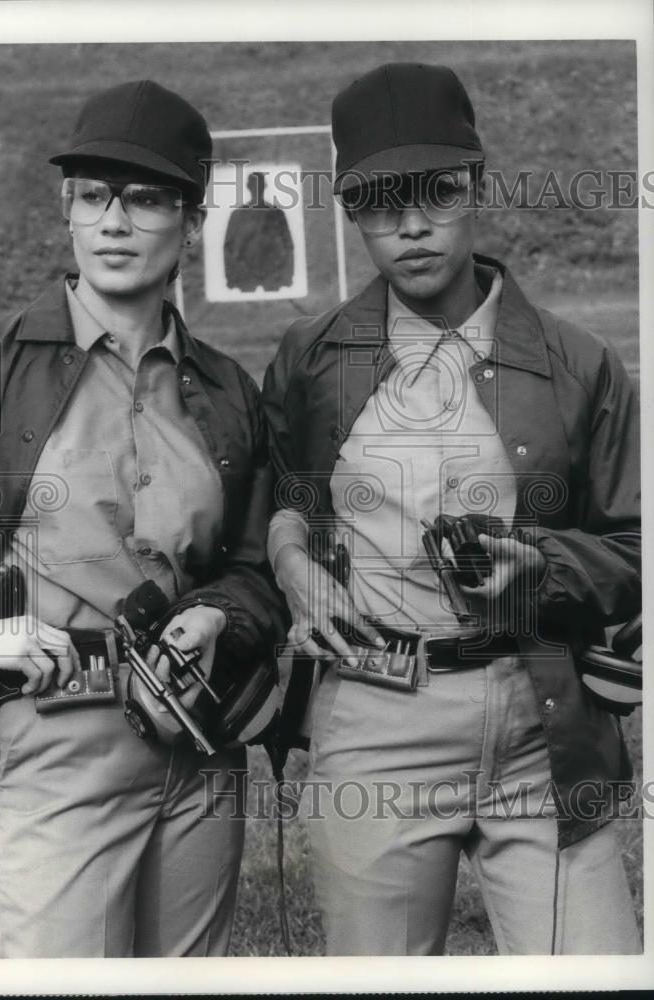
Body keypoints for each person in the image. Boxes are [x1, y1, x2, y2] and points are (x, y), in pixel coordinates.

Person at [262, 62, 641, 955]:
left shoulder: (577, 362)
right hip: (375, 714)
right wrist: (290, 561)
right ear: (350, 211)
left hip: (538, 711)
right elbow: (276, 499)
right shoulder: (310, 360)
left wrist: (541, 569)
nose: (409, 225)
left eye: (435, 191)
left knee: (593, 969)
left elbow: (633, 544)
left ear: (474, 183)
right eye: (378, 202)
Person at [0, 79, 285, 958]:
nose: (114, 222)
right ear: (67, 211)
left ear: (193, 222)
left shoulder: (227, 390)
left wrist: (219, 614)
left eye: (146, 199)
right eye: (92, 196)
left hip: (200, 745)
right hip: (57, 738)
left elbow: (255, 568)